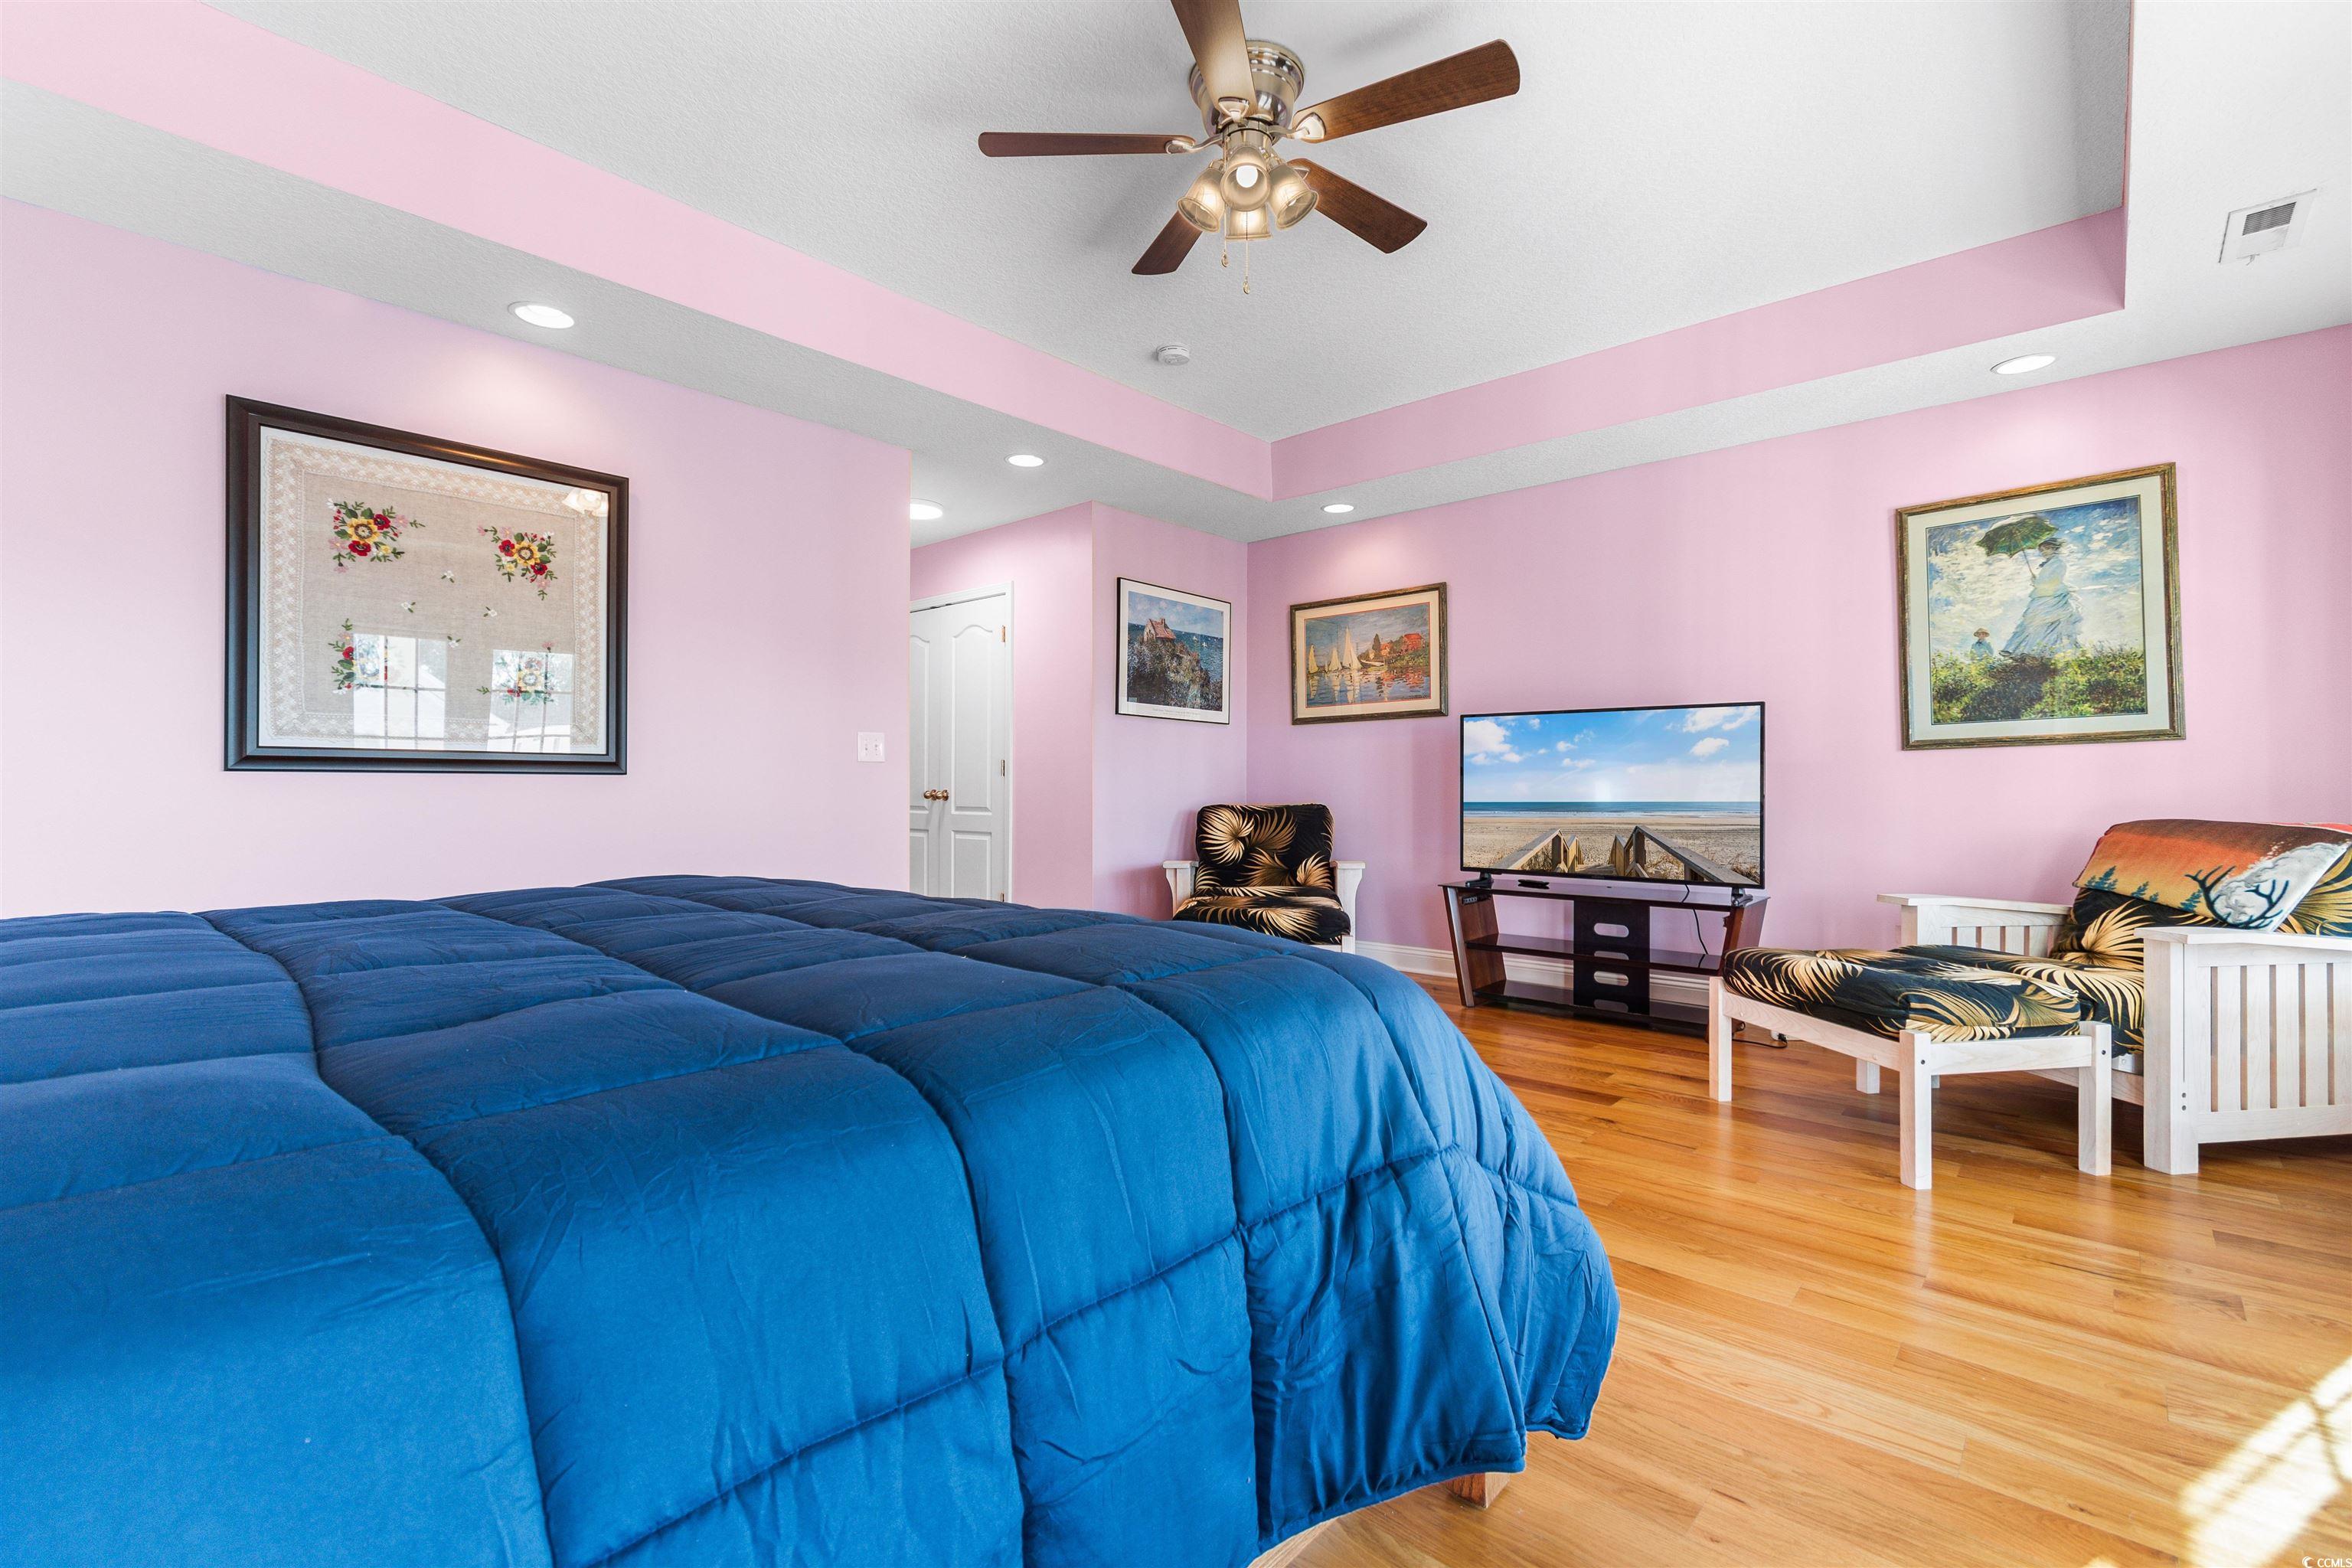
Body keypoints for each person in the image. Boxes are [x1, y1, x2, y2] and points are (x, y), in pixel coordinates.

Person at [2003, 537, 2082, 658]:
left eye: (2047, 548)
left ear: (2054, 548)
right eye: (2042, 550)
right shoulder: (2048, 564)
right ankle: (2021, 650)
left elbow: (2053, 581)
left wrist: (2038, 583)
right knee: (2033, 623)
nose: (2044, 552)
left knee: (2047, 624)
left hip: (2053, 597)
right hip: (2042, 595)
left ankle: (2036, 652)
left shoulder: (2058, 563)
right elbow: (2045, 581)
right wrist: (2037, 581)